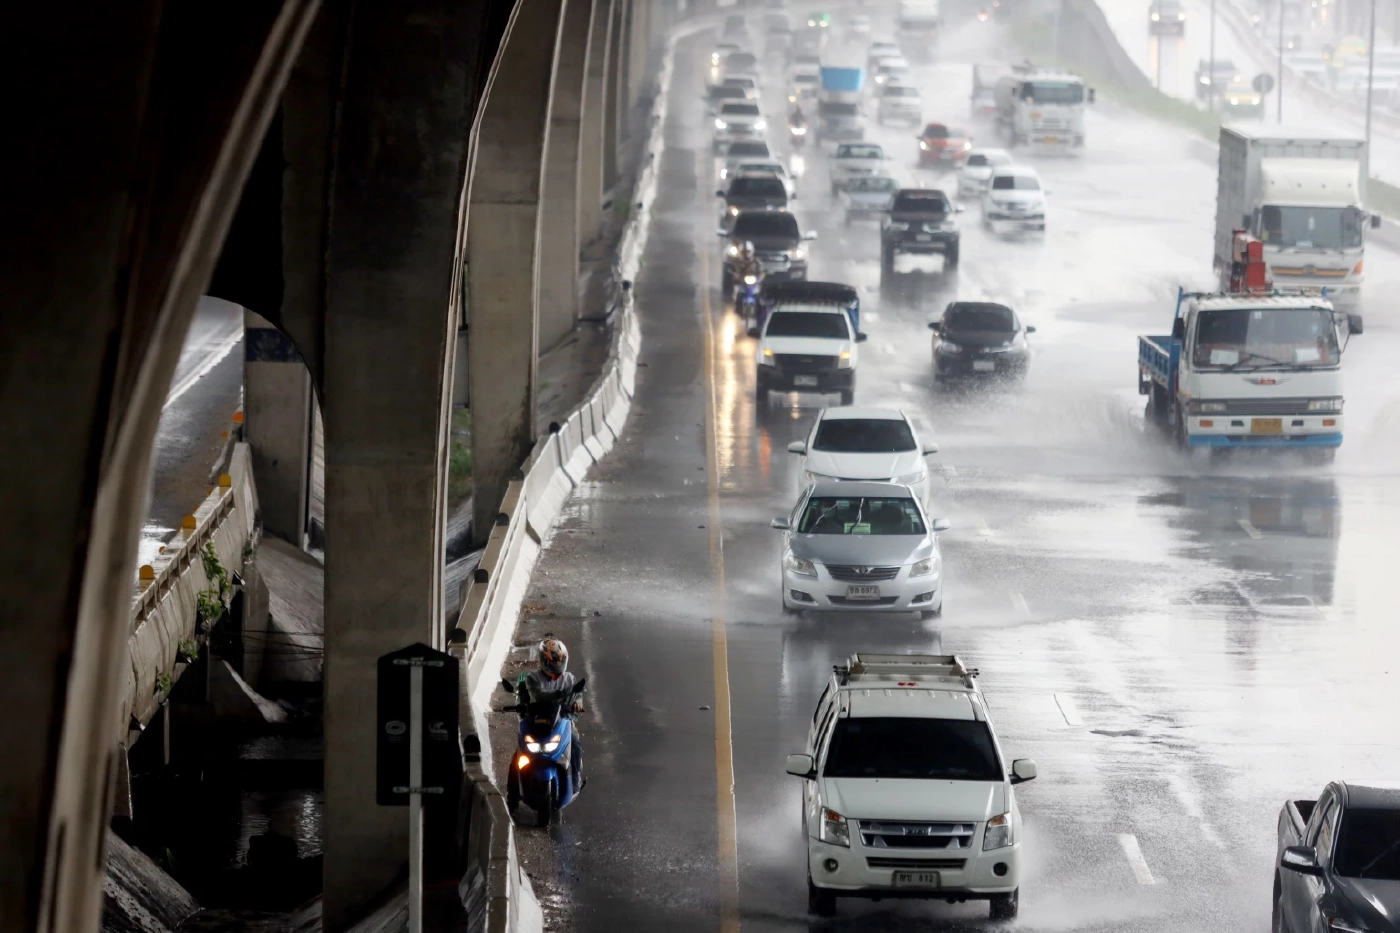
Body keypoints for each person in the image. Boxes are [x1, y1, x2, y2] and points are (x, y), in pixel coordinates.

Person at [516, 635, 585, 792]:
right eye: (554, 661)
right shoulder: (533, 679)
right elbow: (539, 696)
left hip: (562, 721)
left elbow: (577, 694)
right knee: (519, 753)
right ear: (544, 661)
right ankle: (513, 791)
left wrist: (577, 703)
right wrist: (562, 695)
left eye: (560, 661)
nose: (557, 665)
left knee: (574, 743)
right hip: (537, 721)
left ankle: (575, 778)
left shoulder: (569, 679)